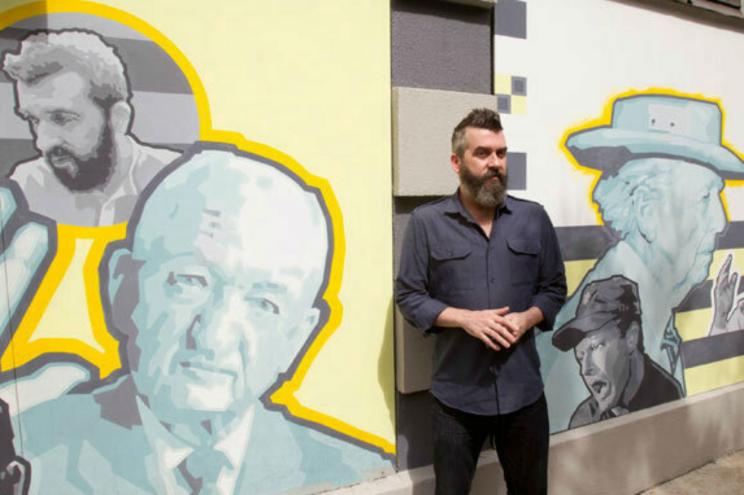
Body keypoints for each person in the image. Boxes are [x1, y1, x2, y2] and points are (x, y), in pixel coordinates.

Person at [16, 147, 385, 494]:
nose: (214, 336)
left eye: (264, 302)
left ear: (297, 338)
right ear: (122, 287)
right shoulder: (25, 457)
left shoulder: (351, 472)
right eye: (190, 281)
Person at [539, 94, 744, 429]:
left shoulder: (646, 306)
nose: (721, 220)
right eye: (706, 198)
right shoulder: (603, 325)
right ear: (649, 213)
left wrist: (721, 331)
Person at [395, 108, 566, 494]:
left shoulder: (533, 218)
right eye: (483, 153)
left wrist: (528, 318)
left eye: (501, 154)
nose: (495, 164)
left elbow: (554, 287)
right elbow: (408, 296)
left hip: (523, 396)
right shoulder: (427, 222)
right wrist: (464, 319)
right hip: (457, 400)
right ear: (457, 162)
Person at [2, 29, 179, 226]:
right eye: (33, 120)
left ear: (118, 119)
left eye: (62, 118)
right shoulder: (29, 185)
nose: (43, 143)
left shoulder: (177, 182)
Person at [552, 276, 682, 428]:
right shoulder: (584, 420)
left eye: (596, 347)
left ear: (631, 338)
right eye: (580, 356)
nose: (585, 370)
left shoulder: (667, 401)